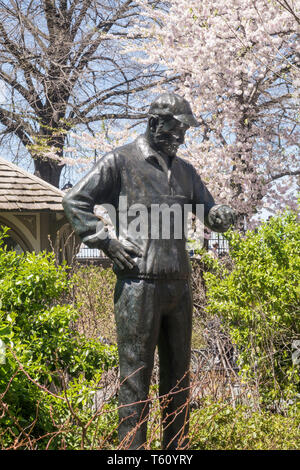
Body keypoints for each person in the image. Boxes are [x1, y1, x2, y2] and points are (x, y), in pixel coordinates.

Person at [63, 92, 235, 449]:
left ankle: (177, 452)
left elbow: (208, 212)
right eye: (176, 130)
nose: (182, 138)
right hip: (137, 285)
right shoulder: (120, 162)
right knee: (135, 380)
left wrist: (219, 216)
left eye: (185, 130)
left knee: (179, 381)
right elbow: (74, 199)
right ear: (155, 124)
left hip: (179, 288)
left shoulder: (187, 171)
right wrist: (106, 242)